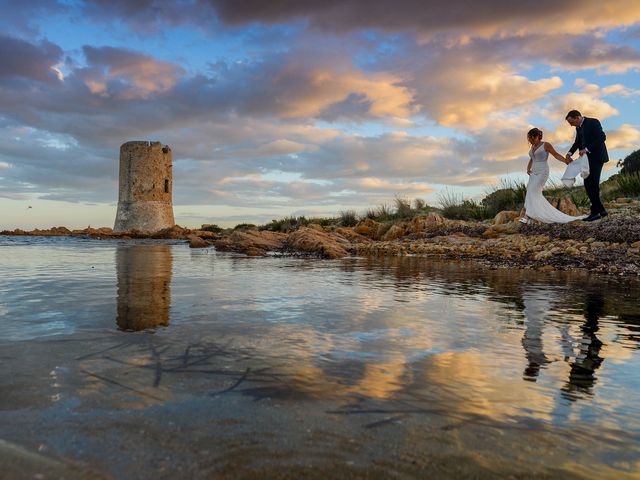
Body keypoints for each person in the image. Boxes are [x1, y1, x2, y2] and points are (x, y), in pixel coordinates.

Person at [520, 128, 586, 224]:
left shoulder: (546, 145)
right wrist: (528, 168)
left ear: (536, 136)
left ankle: (529, 216)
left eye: (530, 138)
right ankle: (530, 216)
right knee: (530, 191)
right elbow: (532, 158)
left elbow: (555, 155)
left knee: (534, 191)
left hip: (543, 171)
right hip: (533, 172)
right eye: (529, 138)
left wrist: (566, 161)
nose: (529, 140)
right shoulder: (532, 147)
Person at [565, 110, 609, 221]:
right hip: (587, 160)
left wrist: (587, 149)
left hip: (597, 157)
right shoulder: (578, 127)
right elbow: (577, 142)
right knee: (589, 184)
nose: (571, 125)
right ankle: (601, 210)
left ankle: (595, 213)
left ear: (577, 117)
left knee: (592, 183)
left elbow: (602, 137)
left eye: (571, 122)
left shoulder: (593, 122)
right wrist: (569, 153)